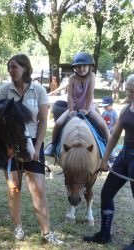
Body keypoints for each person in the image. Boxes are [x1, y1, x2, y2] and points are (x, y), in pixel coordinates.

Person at [0, 54, 63, 245]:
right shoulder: (5, 91)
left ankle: (46, 232)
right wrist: (8, 147)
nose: (11, 71)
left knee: (38, 190)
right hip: (9, 144)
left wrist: (36, 147)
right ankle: (18, 227)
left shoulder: (39, 91)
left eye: (14, 67)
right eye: (9, 67)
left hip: (32, 143)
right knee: (14, 189)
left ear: (25, 68)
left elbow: (43, 121)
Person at [83, 74, 134, 250]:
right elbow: (114, 136)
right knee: (106, 193)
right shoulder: (126, 109)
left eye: (131, 90)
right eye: (128, 89)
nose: (128, 92)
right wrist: (104, 159)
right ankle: (104, 234)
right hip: (124, 156)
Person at [44, 52, 110, 156]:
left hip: (88, 107)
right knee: (58, 124)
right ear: (75, 68)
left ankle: (109, 148)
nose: (81, 68)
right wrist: (71, 110)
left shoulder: (91, 76)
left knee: (102, 125)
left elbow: (89, 94)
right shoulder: (72, 78)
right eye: (78, 66)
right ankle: (53, 145)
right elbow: (69, 96)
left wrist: (87, 110)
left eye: (84, 66)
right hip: (74, 107)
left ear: (90, 66)